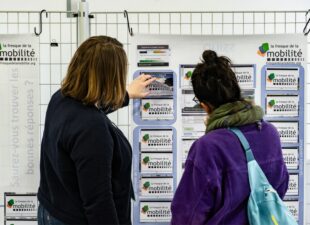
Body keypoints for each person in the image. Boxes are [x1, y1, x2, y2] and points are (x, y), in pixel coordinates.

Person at [37, 35, 155, 225]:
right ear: (110, 78)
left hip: (52, 210)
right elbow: (99, 201)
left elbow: (86, 114)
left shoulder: (60, 99)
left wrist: (125, 95)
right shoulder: (92, 129)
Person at [171, 50, 289, 225]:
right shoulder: (269, 133)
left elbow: (187, 215)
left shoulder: (208, 147)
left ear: (204, 105)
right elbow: (281, 185)